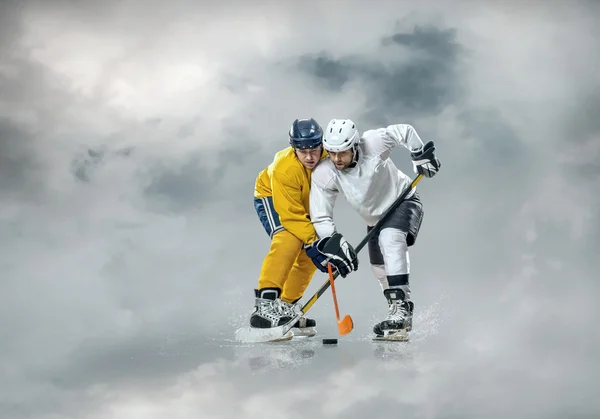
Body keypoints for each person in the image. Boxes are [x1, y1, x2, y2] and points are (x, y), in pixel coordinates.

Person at [309, 118, 441, 338]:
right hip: (373, 219)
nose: (337, 159)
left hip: (403, 200)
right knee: (379, 267)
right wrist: (332, 241)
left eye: (342, 152)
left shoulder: (373, 143)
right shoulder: (324, 173)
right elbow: (321, 215)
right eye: (331, 153)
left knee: (390, 239)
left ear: (354, 146)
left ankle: (402, 310)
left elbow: (404, 132)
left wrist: (420, 154)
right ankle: (397, 312)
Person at [250, 118, 359, 337]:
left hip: (306, 200)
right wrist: (313, 242)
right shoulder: (284, 168)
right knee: (289, 238)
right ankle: (265, 307)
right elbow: (291, 217)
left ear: (323, 146)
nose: (309, 157)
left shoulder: (333, 156)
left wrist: (319, 244)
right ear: (294, 149)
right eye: (302, 151)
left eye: (314, 150)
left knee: (311, 255)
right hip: (273, 197)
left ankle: (287, 307)